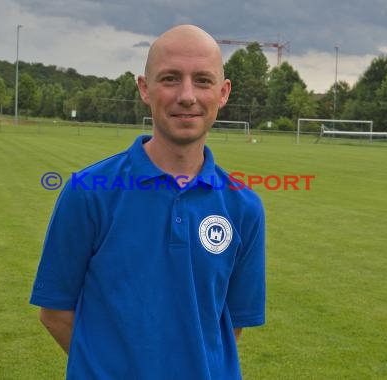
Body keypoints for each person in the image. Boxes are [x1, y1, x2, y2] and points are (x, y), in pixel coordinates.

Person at [30, 24, 266, 379]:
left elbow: (230, 325)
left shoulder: (244, 207)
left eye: (202, 80)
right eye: (170, 78)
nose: (187, 95)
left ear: (223, 92)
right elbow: (55, 313)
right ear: (144, 88)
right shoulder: (89, 191)